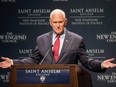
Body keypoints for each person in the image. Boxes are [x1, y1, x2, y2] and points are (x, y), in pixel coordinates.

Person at [0, 9, 116, 72]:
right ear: (50, 22)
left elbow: (86, 61)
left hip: (68, 83)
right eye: (55, 22)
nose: (58, 26)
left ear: (65, 22)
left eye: (60, 22)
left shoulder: (77, 40)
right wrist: (12, 63)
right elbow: (32, 60)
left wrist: (101, 64)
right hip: (46, 83)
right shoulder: (41, 40)